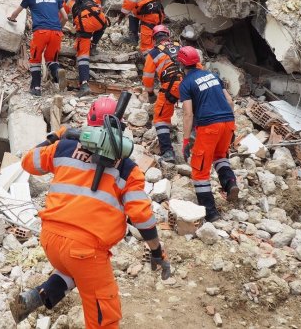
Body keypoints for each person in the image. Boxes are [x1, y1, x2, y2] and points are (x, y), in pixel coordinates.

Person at [12, 96, 171, 328]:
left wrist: (56, 136)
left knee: (74, 272)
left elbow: (28, 162)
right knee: (105, 316)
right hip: (84, 250)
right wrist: (157, 250)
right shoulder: (127, 168)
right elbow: (142, 217)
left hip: (50, 240)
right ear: (120, 127)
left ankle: (37, 296)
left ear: (88, 122)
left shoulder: (63, 148)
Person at [177, 46, 239, 222]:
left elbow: (188, 114)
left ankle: (211, 212)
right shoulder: (213, 75)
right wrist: (230, 124)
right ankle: (230, 183)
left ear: (181, 65)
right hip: (228, 121)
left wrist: (186, 140)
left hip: (209, 126)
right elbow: (229, 101)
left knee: (199, 170)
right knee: (220, 155)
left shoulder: (186, 84)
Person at [8, 0, 67, 96]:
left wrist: (12, 18)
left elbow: (16, 12)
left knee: (35, 59)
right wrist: (57, 28)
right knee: (51, 59)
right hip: (56, 32)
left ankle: (36, 87)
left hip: (41, 32)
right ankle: (57, 72)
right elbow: (65, 17)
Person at [141, 25, 182, 163]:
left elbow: (147, 77)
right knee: (195, 110)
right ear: (168, 35)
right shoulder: (179, 46)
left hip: (171, 86)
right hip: (190, 83)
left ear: (154, 39)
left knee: (160, 118)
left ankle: (167, 151)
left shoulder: (153, 53)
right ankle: (194, 134)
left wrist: (151, 92)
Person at [63, 0, 108, 97]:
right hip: (100, 21)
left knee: (83, 56)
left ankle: (84, 84)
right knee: (104, 23)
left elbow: (64, 15)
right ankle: (94, 45)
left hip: (85, 26)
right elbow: (99, 8)